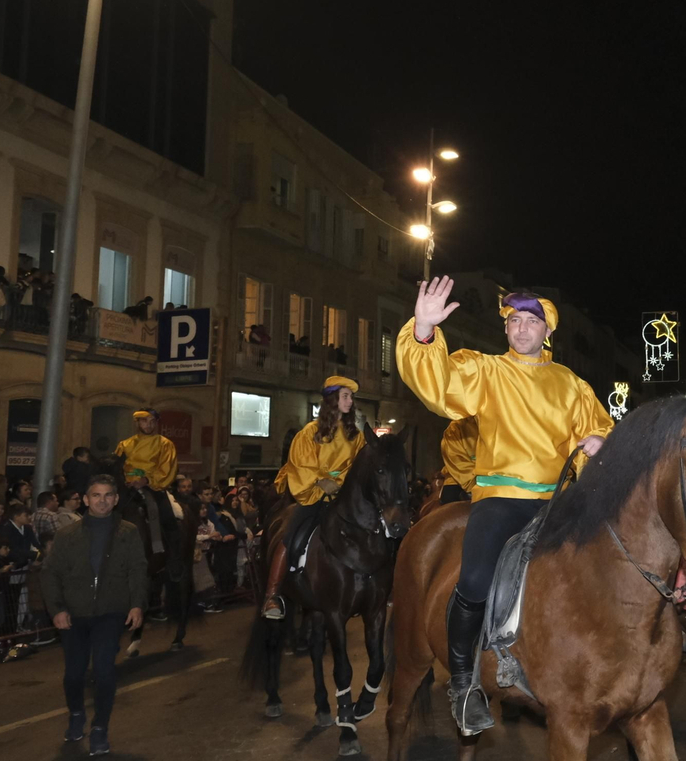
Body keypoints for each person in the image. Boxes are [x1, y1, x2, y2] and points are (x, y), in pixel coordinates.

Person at [396, 279, 612, 735]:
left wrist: (600, 440)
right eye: (514, 320)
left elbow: (602, 429)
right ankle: (462, 683)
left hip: (556, 503)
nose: (521, 328)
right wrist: (423, 332)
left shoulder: (570, 383)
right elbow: (440, 388)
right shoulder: (486, 370)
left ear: (546, 331)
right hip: (498, 497)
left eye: (531, 321)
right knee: (473, 580)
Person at [40, 475, 147, 757]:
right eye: (96, 496)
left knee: (104, 670)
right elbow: (50, 573)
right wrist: (57, 609)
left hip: (110, 613)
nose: (102, 500)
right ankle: (76, 713)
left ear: (116, 499)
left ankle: (100, 727)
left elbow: (138, 569)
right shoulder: (66, 535)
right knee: (74, 674)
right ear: (86, 500)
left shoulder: (128, 532)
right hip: (74, 614)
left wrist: (137, 604)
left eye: (108, 495)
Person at [261, 376, 365, 619]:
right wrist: (323, 481)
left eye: (351, 397)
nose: (350, 401)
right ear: (332, 400)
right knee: (291, 537)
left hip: (343, 498)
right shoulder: (310, 432)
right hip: (315, 496)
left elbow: (358, 466)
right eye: (345, 396)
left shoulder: (356, 436)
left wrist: (343, 484)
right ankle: (272, 595)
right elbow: (301, 465)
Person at [115, 408, 179, 554]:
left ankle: (174, 558)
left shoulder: (165, 444)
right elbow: (116, 466)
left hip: (152, 486)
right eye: (144, 421)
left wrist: (146, 480)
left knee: (167, 518)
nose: (148, 425)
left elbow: (167, 469)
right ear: (137, 422)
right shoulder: (124, 444)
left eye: (152, 422)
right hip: (127, 486)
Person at [438, 416, 478, 505]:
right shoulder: (456, 428)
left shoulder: (500, 425)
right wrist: (477, 485)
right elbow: (457, 461)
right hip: (459, 481)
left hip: (495, 481)